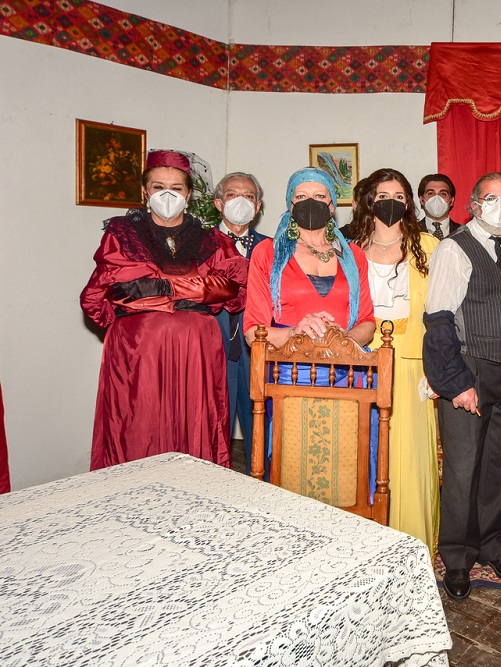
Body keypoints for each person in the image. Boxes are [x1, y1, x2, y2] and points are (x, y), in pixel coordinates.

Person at [81, 150, 246, 470]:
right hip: (137, 352)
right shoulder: (121, 235)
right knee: (138, 426)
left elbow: (235, 288)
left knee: (194, 423)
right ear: (145, 191)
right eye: (158, 187)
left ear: (189, 194)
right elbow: (97, 297)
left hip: (195, 352)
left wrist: (158, 289)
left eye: (176, 188)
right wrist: (195, 288)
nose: (167, 194)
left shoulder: (211, 239)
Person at [423, 172, 501, 600]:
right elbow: (438, 320)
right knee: (464, 469)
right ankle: (457, 557)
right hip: (470, 372)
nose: (500, 206)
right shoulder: (453, 248)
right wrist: (456, 383)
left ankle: (493, 547)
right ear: (473, 204)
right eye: (490, 198)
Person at [345, 168, 440, 551]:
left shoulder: (430, 246)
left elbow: (444, 313)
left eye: (400, 197)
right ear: (368, 200)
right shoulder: (348, 248)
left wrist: (438, 369)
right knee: (362, 452)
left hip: (412, 360)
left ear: (409, 204)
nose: (391, 203)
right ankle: (365, 546)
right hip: (361, 359)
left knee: (408, 456)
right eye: (383, 196)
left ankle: (412, 544)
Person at [243, 167, 374, 349]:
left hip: (344, 362)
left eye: (320, 196)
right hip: (288, 363)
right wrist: (295, 334)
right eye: (301, 196)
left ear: (332, 205)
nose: (311, 202)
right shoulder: (268, 253)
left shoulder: (353, 255)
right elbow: (253, 333)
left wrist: (340, 341)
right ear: (291, 206)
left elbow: (367, 322)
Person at [213, 172, 268, 475]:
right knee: (212, 428)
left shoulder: (272, 247)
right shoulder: (200, 243)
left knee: (260, 428)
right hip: (214, 348)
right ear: (218, 202)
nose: (240, 202)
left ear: (258, 206)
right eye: (232, 195)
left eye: (248, 196)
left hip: (256, 350)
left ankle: (262, 489)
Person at [418, 173, 458, 239]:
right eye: (431, 193)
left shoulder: (464, 232)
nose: (437, 198)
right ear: (422, 200)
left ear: (451, 201)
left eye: (443, 194)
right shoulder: (409, 232)